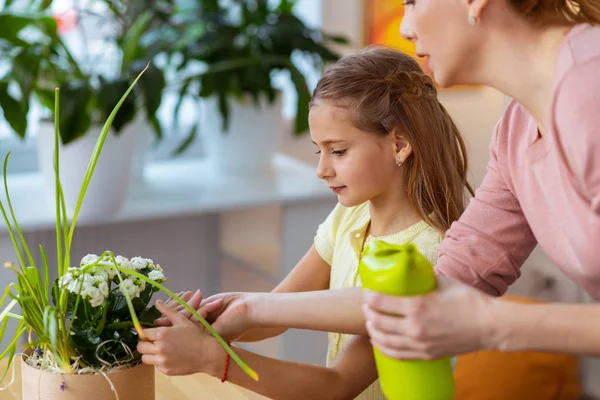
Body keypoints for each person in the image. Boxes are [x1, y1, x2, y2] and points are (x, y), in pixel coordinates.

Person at [198, 0, 600, 364]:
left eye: (411, 2)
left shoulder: (589, 84)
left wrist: (492, 323)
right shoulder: (514, 132)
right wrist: (250, 309)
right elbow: (436, 289)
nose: (405, 28)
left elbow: (463, 308)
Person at [138, 46, 473, 400]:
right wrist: (206, 326)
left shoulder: (428, 255)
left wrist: (209, 356)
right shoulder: (350, 216)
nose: (322, 169)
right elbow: (276, 311)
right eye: (319, 151)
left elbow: (336, 385)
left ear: (400, 145)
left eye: (338, 151)